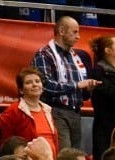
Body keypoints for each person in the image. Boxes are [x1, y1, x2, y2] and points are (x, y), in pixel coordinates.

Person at [32, 16, 96, 151]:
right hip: (56, 111)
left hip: (76, 113)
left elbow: (83, 94)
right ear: (61, 31)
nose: (78, 37)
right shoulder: (45, 54)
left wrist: (88, 88)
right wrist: (77, 85)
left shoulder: (75, 56)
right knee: (64, 156)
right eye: (75, 32)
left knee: (75, 157)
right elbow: (45, 86)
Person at [0, 67, 60, 160]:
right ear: (21, 90)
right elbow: (5, 143)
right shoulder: (13, 111)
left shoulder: (47, 110)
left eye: (37, 81)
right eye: (29, 82)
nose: (34, 84)